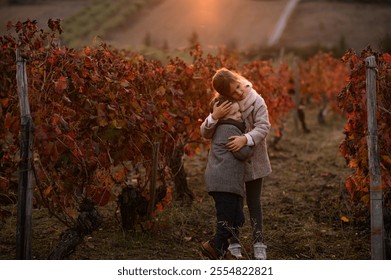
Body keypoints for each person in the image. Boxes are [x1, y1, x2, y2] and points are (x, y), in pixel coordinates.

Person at [200, 68, 272, 260]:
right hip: (232, 165)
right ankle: (234, 245)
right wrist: (214, 117)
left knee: (254, 203)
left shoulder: (256, 100)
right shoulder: (223, 105)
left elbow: (264, 126)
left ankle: (258, 242)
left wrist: (245, 139)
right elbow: (205, 133)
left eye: (239, 87)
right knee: (234, 204)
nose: (240, 93)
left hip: (253, 158)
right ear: (226, 94)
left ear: (239, 80)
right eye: (234, 92)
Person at [200, 95, 253, 260]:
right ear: (224, 116)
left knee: (236, 218)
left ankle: (224, 251)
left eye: (239, 112)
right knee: (227, 219)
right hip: (224, 183)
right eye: (236, 113)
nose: (240, 116)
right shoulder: (229, 129)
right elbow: (243, 153)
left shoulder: (227, 126)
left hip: (228, 183)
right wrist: (251, 140)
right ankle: (213, 247)